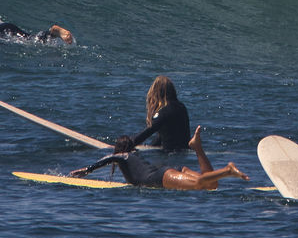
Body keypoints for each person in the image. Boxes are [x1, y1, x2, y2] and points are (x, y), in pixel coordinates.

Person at [70, 127, 248, 191]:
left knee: (200, 184)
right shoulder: (134, 155)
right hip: (169, 170)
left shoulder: (123, 156)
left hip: (160, 176)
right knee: (211, 185)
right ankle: (197, 148)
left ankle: (227, 170)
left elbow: (109, 158)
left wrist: (87, 170)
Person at [0, 1, 74, 44]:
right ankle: (51, 33)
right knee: (30, 37)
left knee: (29, 42)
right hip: (5, 25)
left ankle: (52, 33)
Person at [131, 75, 190, 151]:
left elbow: (148, 131)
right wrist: (149, 146)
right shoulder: (181, 107)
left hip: (170, 155)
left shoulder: (164, 112)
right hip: (184, 152)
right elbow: (163, 135)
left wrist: (127, 144)